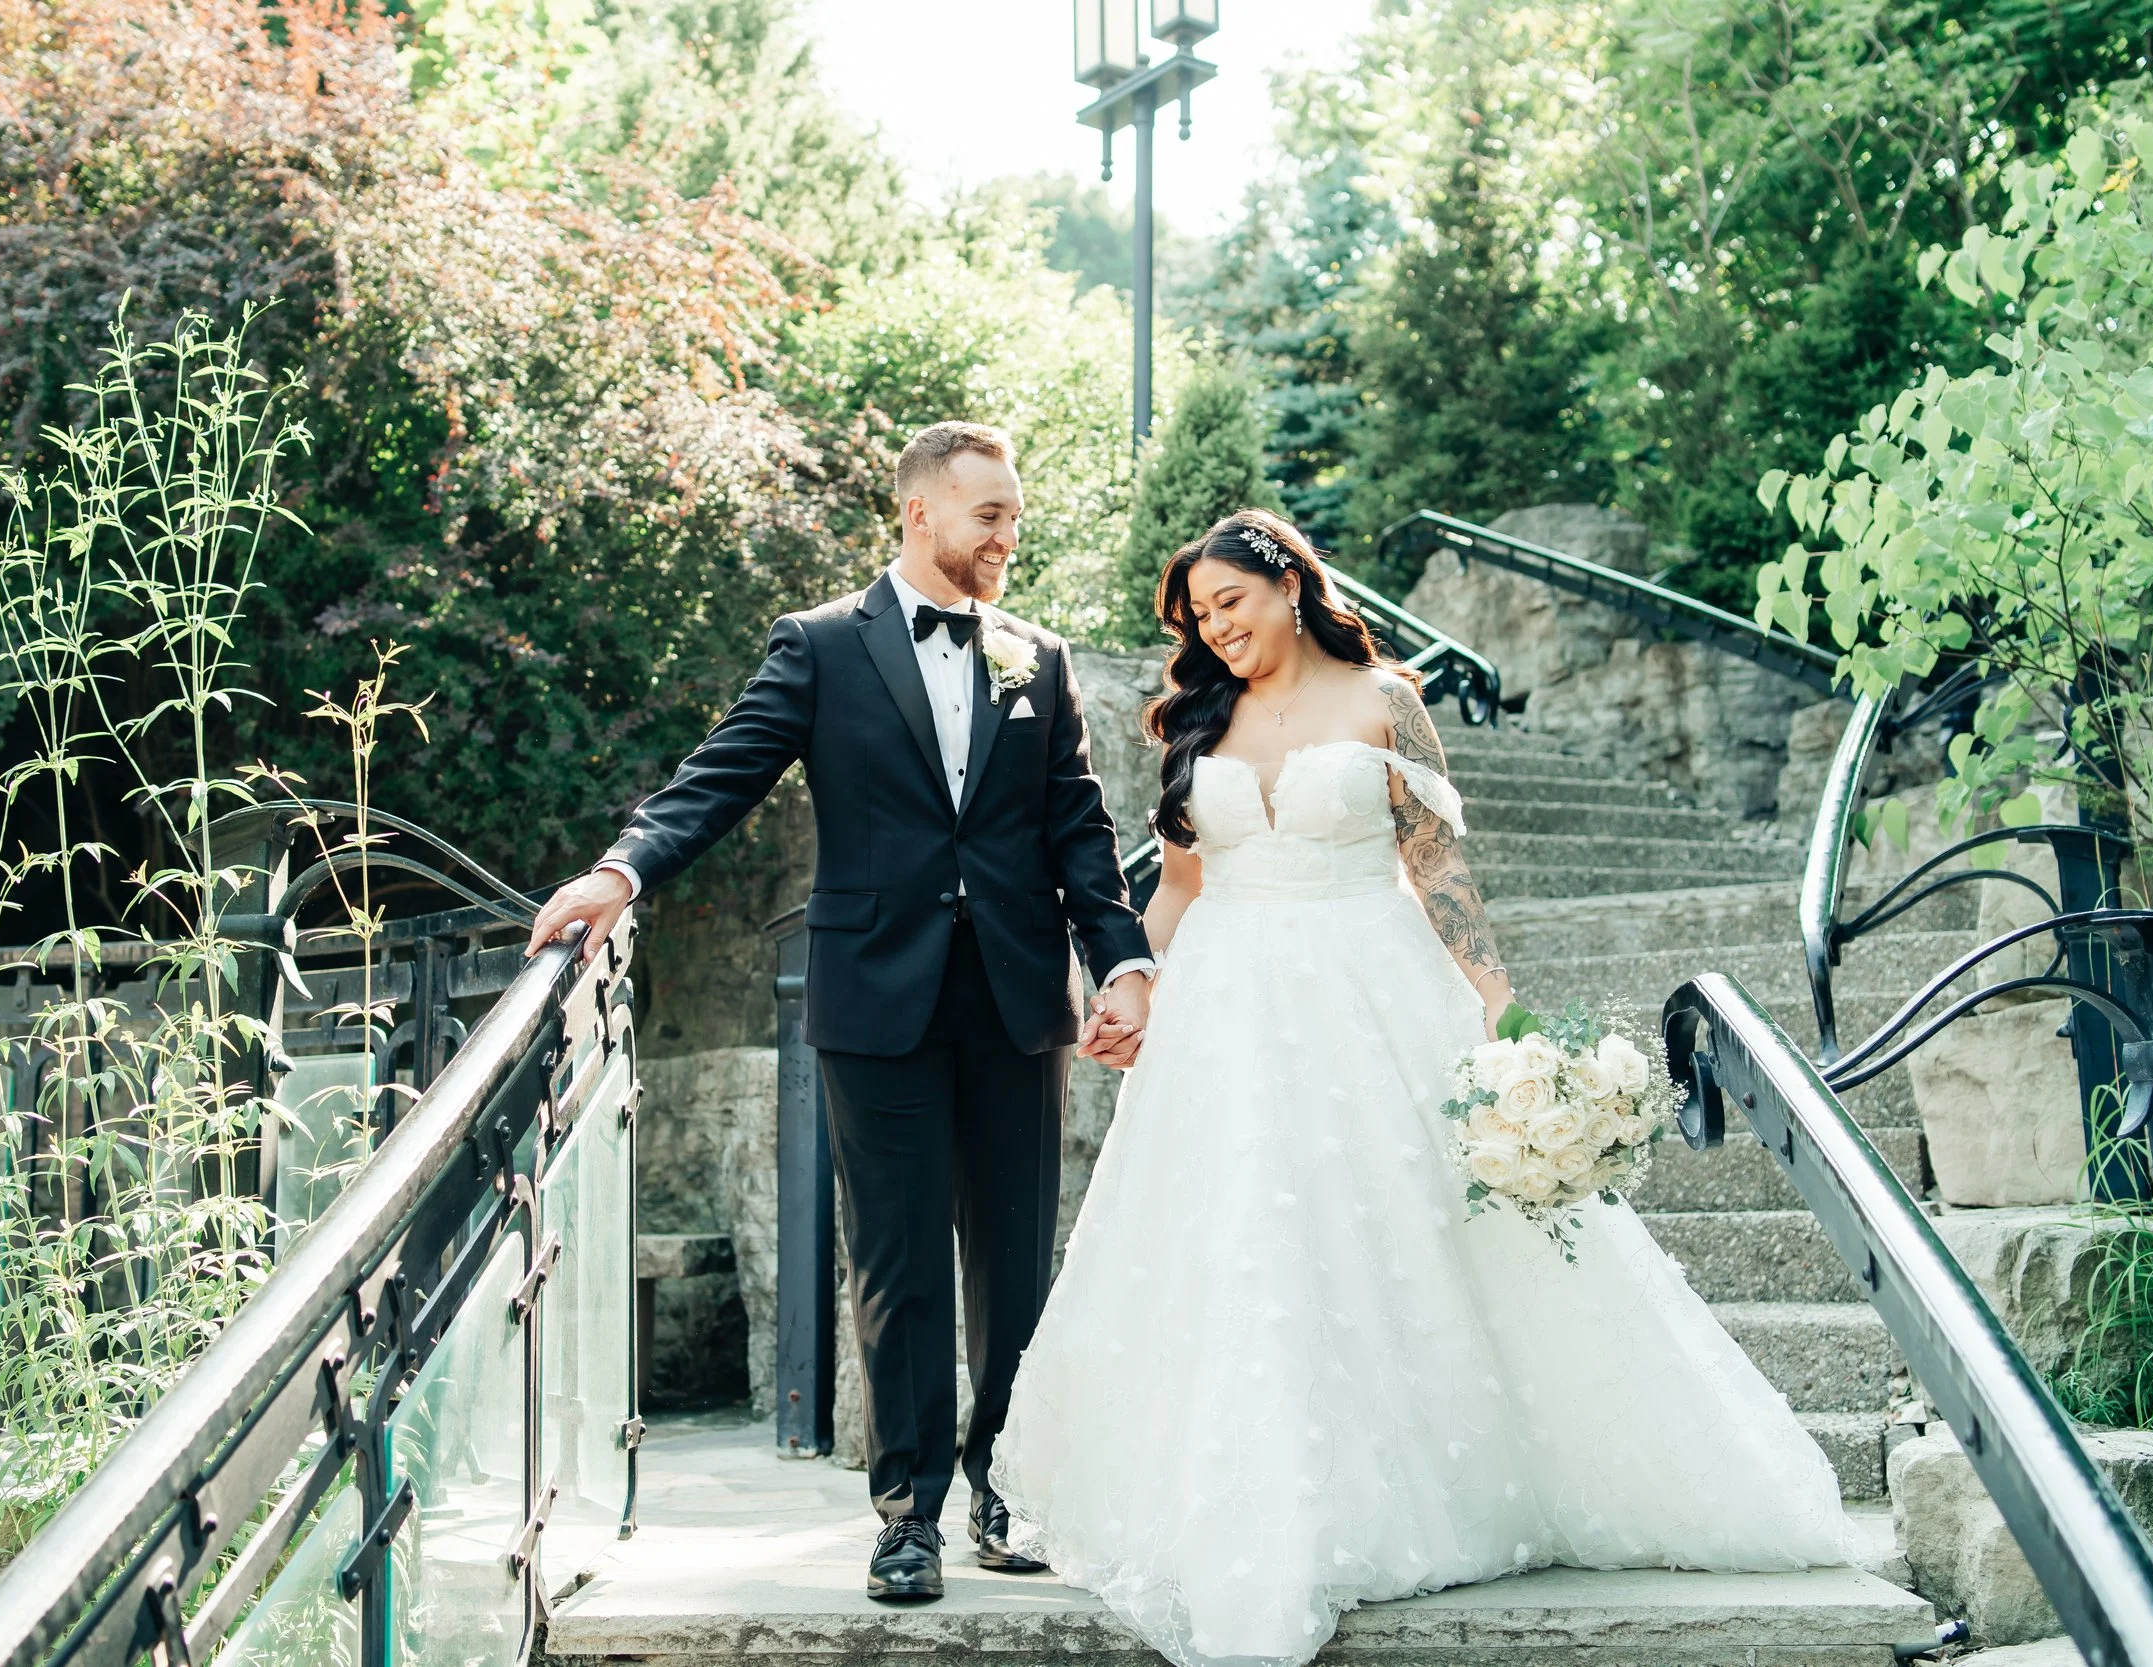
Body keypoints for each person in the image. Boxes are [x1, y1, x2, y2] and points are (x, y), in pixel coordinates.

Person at [990, 509, 1862, 1667]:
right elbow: (1183, 886)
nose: (1217, 630)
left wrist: (1500, 1011)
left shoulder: (1386, 698)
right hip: (1227, 1014)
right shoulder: (1199, 722)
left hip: (1373, 990)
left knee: (1398, 1234)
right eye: (1200, 617)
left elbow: (1438, 867)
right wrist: (1134, 987)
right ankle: (1265, 1501)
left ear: (1289, 584)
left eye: (1231, 604)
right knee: (1249, 1244)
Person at [526, 421, 1155, 1604]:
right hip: (877, 997)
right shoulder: (819, 646)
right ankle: (907, 1512)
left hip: (1018, 996)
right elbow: (721, 773)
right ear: (919, 511)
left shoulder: (1040, 656)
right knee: (899, 1259)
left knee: (1013, 1262)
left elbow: (1080, 828)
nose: (1008, 534)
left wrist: (1121, 963)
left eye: (1015, 512)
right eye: (990, 514)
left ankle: (1007, 1487)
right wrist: (620, 873)